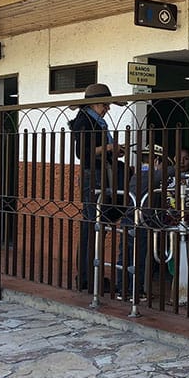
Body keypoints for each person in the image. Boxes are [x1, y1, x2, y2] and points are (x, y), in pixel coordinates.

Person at [69, 83, 124, 291]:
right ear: (93, 104)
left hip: (101, 174)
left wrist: (112, 152)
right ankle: (87, 278)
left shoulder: (96, 121)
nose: (107, 108)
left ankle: (89, 277)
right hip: (94, 177)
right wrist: (109, 147)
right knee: (92, 225)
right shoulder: (84, 121)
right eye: (104, 104)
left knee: (94, 224)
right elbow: (83, 153)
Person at [119, 141, 171, 301]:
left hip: (127, 219)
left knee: (125, 256)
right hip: (140, 221)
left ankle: (122, 289)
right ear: (156, 161)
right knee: (139, 257)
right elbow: (172, 171)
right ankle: (136, 290)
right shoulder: (152, 174)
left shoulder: (137, 173)